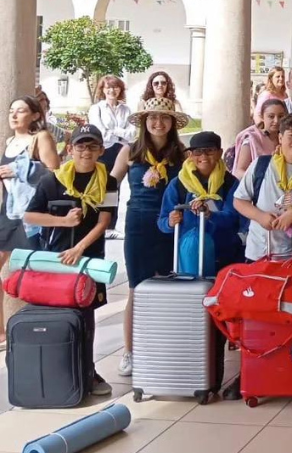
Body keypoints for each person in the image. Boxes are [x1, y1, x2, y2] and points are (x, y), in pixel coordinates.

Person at [24, 124, 119, 396]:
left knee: (87, 316)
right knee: (61, 314)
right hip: (56, 261)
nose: (86, 151)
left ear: (101, 150)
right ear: (70, 149)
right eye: (80, 146)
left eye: (92, 146)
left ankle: (88, 371)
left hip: (89, 259)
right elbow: (30, 216)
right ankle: (61, 370)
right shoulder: (53, 180)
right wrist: (63, 222)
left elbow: (104, 221)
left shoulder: (107, 181)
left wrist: (80, 248)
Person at [157, 130, 243, 391]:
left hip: (224, 257)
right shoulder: (179, 185)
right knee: (194, 316)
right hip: (189, 262)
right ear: (190, 156)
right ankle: (191, 372)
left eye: (208, 151)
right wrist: (171, 222)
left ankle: (214, 376)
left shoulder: (230, 183)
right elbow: (162, 221)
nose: (203, 157)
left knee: (218, 314)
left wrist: (210, 213)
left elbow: (236, 218)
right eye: (197, 152)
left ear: (219, 153)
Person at [110, 97, 189, 377]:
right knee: (136, 287)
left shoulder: (182, 154)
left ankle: (165, 347)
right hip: (139, 223)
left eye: (164, 117)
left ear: (172, 123)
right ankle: (129, 351)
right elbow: (110, 185)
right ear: (144, 122)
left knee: (170, 285)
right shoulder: (129, 152)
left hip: (171, 223)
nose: (158, 123)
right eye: (152, 118)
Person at [0, 96, 60, 348]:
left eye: (21, 111)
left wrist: (21, 170)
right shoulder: (9, 141)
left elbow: (54, 172)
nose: (14, 115)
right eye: (12, 111)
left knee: (35, 270)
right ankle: (1, 331)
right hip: (8, 212)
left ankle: (37, 326)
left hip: (31, 215)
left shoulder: (41, 137)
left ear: (35, 115)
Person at [232, 113, 292, 264]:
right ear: (280, 138)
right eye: (291, 135)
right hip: (259, 253)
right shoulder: (261, 165)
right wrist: (260, 216)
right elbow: (239, 201)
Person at [88, 75, 136, 175]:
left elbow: (132, 133)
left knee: (116, 185)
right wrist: (121, 136)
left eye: (115, 87)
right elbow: (100, 134)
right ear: (103, 90)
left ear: (120, 89)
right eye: (108, 87)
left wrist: (114, 130)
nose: (112, 90)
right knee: (103, 184)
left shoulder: (126, 109)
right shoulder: (96, 108)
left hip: (122, 152)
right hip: (103, 152)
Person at [232, 99, 286, 179]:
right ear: (262, 116)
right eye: (271, 116)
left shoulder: (286, 139)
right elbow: (239, 172)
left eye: (280, 116)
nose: (276, 121)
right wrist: (260, 179)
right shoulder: (252, 140)